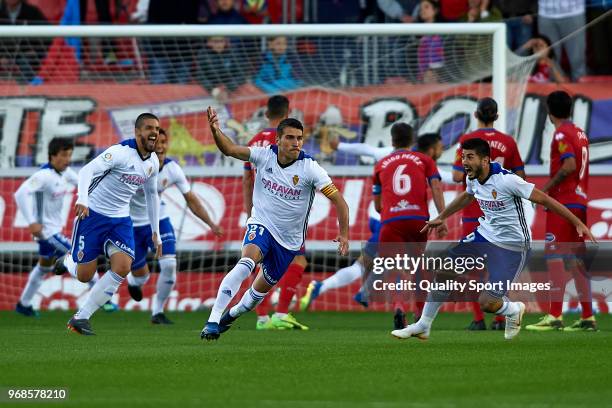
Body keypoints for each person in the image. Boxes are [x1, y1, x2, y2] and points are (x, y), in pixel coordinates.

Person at [392, 137, 595, 341]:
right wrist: (442, 216)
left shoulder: (508, 180)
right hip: (485, 236)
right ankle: (424, 325)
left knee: (487, 302)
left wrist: (578, 222)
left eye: (470, 157)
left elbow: (545, 199)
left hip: (513, 247)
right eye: (463, 157)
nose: (464, 162)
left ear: (485, 160)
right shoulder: (473, 177)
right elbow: (468, 195)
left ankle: (514, 310)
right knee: (445, 270)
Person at [201, 108, 349, 341]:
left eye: (299, 138)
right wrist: (215, 130)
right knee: (246, 262)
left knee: (253, 298)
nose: (295, 142)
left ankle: (229, 316)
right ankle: (212, 320)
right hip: (261, 224)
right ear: (278, 139)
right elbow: (229, 149)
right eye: (290, 137)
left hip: (289, 242)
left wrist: (344, 234)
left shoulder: (310, 168)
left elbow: (340, 201)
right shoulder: (263, 155)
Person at [300, 132, 450, 320]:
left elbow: (364, 149)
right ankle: (342, 289)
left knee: (379, 263)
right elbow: (445, 179)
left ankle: (362, 292)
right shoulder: (422, 161)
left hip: (382, 217)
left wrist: (340, 146)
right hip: (398, 218)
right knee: (395, 266)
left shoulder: (385, 156)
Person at [55, 113, 162, 335]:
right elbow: (86, 171)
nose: (155, 133)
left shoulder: (153, 162)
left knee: (123, 267)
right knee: (85, 275)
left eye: (157, 129)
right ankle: (67, 261)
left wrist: (156, 232)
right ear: (137, 131)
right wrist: (82, 199)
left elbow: (152, 195)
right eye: (150, 128)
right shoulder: (120, 153)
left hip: (121, 219)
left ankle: (81, 318)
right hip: (93, 214)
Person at [126, 128, 223, 324]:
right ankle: (133, 281)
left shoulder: (173, 169)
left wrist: (211, 223)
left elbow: (191, 200)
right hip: (131, 224)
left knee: (169, 265)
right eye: (157, 142)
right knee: (141, 276)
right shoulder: (134, 165)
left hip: (159, 220)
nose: (160, 146)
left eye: (164, 142)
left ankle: (157, 312)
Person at [452, 97, 525, 331]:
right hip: (499, 214)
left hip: (474, 211)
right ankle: (500, 318)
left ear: (476, 115)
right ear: (496, 116)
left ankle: (477, 318)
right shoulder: (508, 142)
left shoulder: (466, 142)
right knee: (498, 267)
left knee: (472, 267)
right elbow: (520, 175)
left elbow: (455, 176)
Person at [526, 90, 596, 332]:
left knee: (555, 257)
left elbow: (569, 165)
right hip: (580, 201)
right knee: (577, 261)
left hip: (563, 202)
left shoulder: (561, 133)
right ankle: (588, 317)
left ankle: (555, 315)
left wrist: (544, 192)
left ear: (549, 111)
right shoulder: (580, 133)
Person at [243, 95, 310, 331]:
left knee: (257, 260)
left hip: (259, 212)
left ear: (265, 114)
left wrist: (247, 212)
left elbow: (246, 180)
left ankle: (262, 317)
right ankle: (281, 312)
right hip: (284, 212)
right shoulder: (285, 142)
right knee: (298, 259)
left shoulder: (253, 142)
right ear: (287, 113)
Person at [373, 123, 446, 329]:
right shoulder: (425, 160)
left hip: (391, 221)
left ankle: (398, 306)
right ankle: (420, 313)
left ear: (392, 140)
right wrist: (442, 217)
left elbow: (378, 205)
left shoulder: (381, 164)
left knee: (394, 267)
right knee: (418, 267)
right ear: (412, 140)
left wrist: (391, 210)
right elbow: (437, 187)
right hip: (418, 219)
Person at [14, 138, 77, 316]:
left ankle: (24, 304)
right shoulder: (43, 175)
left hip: (55, 229)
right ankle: (106, 300)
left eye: (70, 155)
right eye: (64, 155)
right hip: (45, 231)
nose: (68, 159)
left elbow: (82, 184)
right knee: (77, 255)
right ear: (52, 156)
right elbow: (20, 193)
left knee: (43, 267)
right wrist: (32, 221)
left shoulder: (66, 172)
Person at [0, 0, 48, 84]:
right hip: (5, 56)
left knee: (25, 62)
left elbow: (47, 36)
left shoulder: (32, 12)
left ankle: (28, 91)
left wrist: (35, 50)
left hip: (26, 56)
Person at [537, 0, 586, 82]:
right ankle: (553, 91)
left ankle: (581, 91)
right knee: (549, 58)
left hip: (573, 11)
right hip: (546, 12)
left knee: (577, 58)